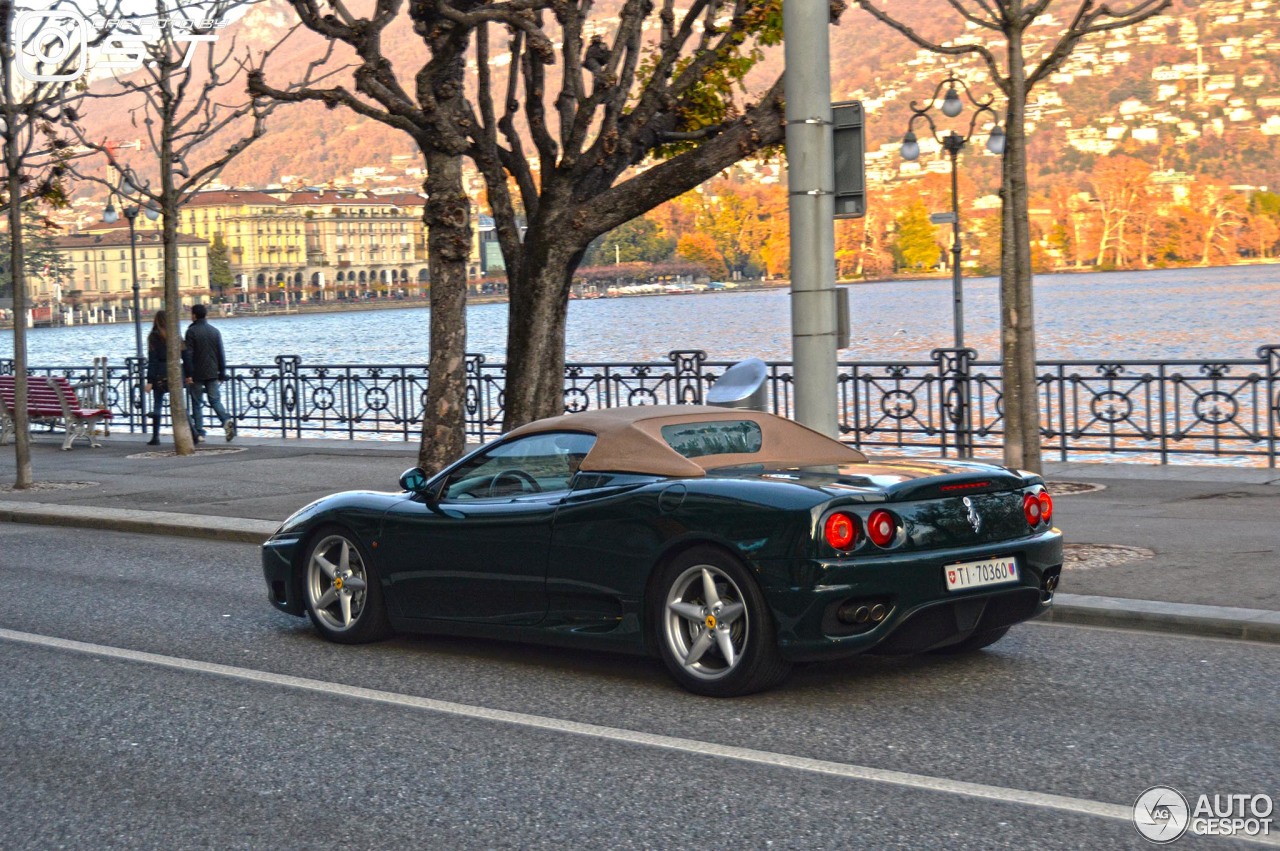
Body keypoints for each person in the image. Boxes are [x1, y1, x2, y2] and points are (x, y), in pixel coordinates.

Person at [184, 303, 236, 442]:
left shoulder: (191, 332)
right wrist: (222, 372)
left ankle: (199, 432)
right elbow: (220, 353)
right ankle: (226, 421)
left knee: (196, 402)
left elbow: (188, 355)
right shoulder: (214, 331)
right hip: (213, 372)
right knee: (215, 400)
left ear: (194, 315)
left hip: (196, 373)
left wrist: (188, 374)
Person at [143, 311, 196, 445]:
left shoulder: (154, 337)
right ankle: (194, 432)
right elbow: (186, 356)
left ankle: (155, 436)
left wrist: (149, 380)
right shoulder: (176, 336)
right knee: (180, 405)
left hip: (160, 373)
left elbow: (152, 360)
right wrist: (189, 374)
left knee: (157, 405)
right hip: (176, 371)